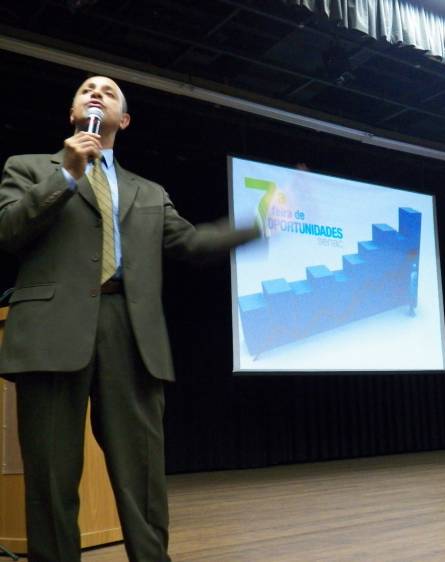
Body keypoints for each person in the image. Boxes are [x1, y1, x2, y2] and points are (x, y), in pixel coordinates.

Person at [0, 76, 262, 562]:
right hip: (52, 330)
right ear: (72, 113)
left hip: (131, 330)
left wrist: (258, 225)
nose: (96, 92)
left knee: (141, 474)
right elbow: (9, 231)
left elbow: (192, 243)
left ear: (124, 120)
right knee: (51, 475)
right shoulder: (28, 167)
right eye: (86, 89)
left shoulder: (149, 191)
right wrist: (66, 175)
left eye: (109, 92)